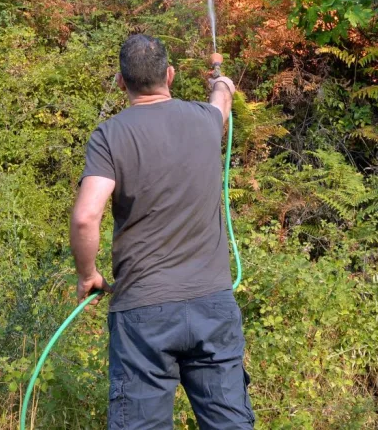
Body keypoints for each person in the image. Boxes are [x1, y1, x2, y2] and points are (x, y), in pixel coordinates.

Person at [70, 33, 254, 429]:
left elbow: (86, 216)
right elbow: (221, 104)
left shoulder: (110, 135)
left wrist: (88, 275)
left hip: (143, 312)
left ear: (121, 81)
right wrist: (222, 83)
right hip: (212, 305)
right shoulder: (205, 120)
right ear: (169, 75)